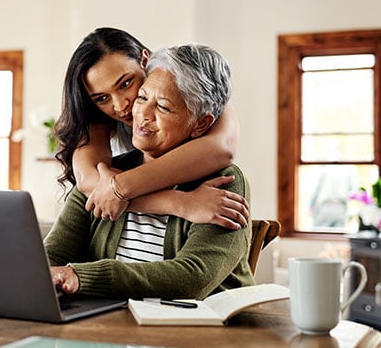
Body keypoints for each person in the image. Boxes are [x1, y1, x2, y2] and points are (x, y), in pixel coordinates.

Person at [45, 43, 255, 299]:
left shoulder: (226, 181)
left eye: (163, 107)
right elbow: (52, 256)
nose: (139, 114)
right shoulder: (106, 174)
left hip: (199, 332)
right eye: (142, 98)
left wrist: (82, 277)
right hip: (112, 330)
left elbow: (192, 278)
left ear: (200, 124)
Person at [54, 28, 249, 230]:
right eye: (103, 98)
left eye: (125, 84)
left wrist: (120, 187)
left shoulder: (194, 86)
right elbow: (90, 182)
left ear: (145, 60)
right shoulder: (97, 120)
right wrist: (179, 203)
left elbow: (222, 147)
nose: (121, 106)